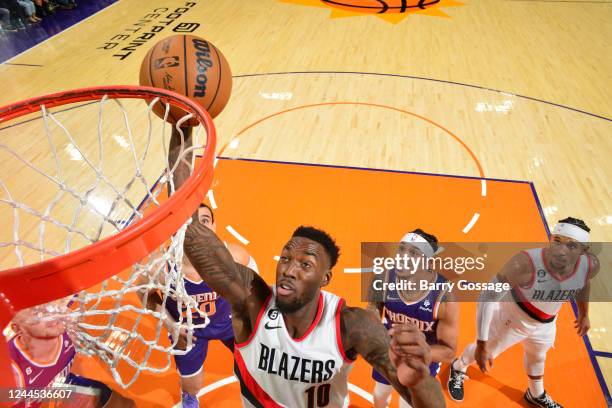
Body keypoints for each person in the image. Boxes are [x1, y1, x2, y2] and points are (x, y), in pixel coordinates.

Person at [169, 126, 445, 407]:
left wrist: (420, 379)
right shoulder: (252, 301)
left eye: (305, 264)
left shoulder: (351, 325)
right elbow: (191, 231)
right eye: (285, 258)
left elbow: (430, 403)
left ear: (325, 278)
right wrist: (183, 126)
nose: (289, 269)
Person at [447, 217, 599, 408]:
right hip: (512, 318)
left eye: (571, 246)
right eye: (557, 241)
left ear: (583, 251)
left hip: (546, 323)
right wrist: (481, 342)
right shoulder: (524, 263)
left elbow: (583, 282)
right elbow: (487, 296)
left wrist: (584, 313)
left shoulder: (588, 265)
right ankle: (458, 367)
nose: (561, 250)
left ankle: (535, 394)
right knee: (486, 353)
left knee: (538, 357)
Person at [369, 229, 459, 408]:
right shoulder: (383, 278)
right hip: (388, 352)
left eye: (413, 253)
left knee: (407, 404)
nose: (403, 256)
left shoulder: (443, 297)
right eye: (401, 249)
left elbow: (449, 352)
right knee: (379, 395)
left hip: (421, 363)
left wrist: (417, 353)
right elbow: (373, 307)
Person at [8, 305, 135, 407]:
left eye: (48, 306)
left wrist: (98, 347)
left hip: (61, 383)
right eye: (36, 314)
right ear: (18, 328)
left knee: (125, 404)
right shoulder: (12, 372)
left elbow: (78, 332)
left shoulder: (65, 326)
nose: (50, 315)